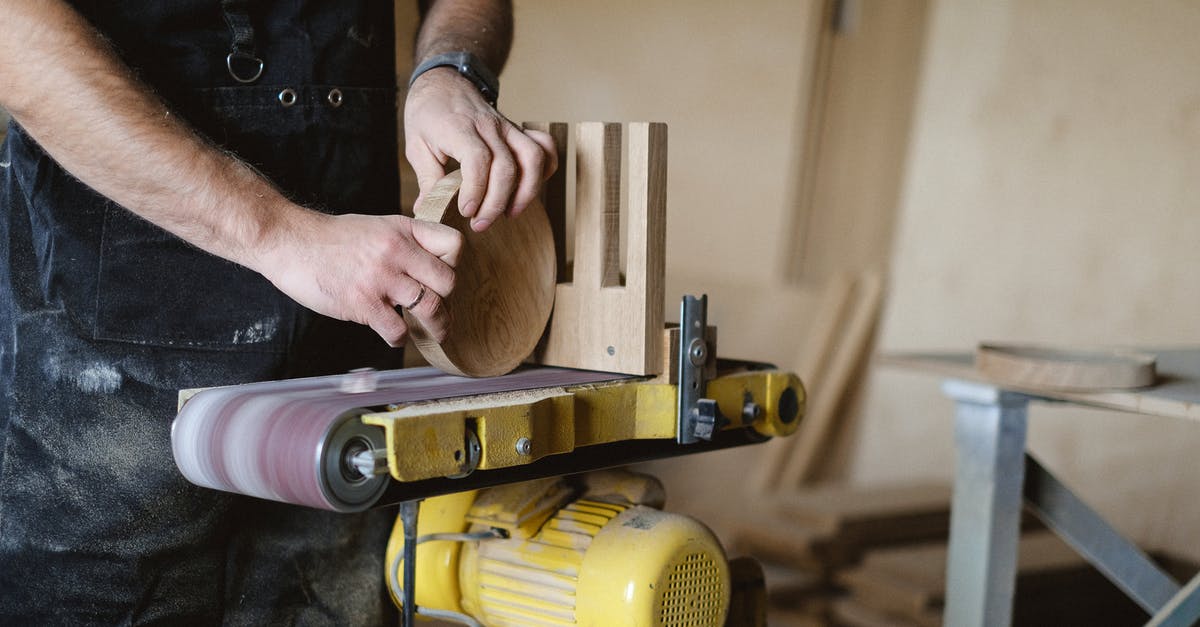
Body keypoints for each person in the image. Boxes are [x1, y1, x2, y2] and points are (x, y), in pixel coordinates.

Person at [0, 0, 555, 623]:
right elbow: (16, 35)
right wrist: (279, 235)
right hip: (115, 347)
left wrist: (448, 70)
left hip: (347, 348)